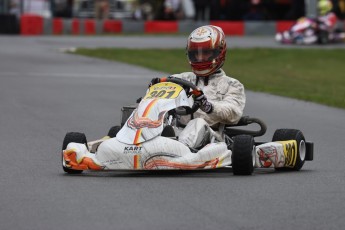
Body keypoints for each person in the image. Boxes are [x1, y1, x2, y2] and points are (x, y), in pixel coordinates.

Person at [149, 25, 246, 150]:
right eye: (195, 54)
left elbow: (233, 113)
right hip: (177, 132)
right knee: (157, 123)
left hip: (212, 138)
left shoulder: (232, 84)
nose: (200, 58)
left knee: (198, 122)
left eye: (206, 53)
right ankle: (134, 143)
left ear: (219, 53)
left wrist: (209, 106)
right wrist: (153, 91)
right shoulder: (180, 79)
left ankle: (177, 149)